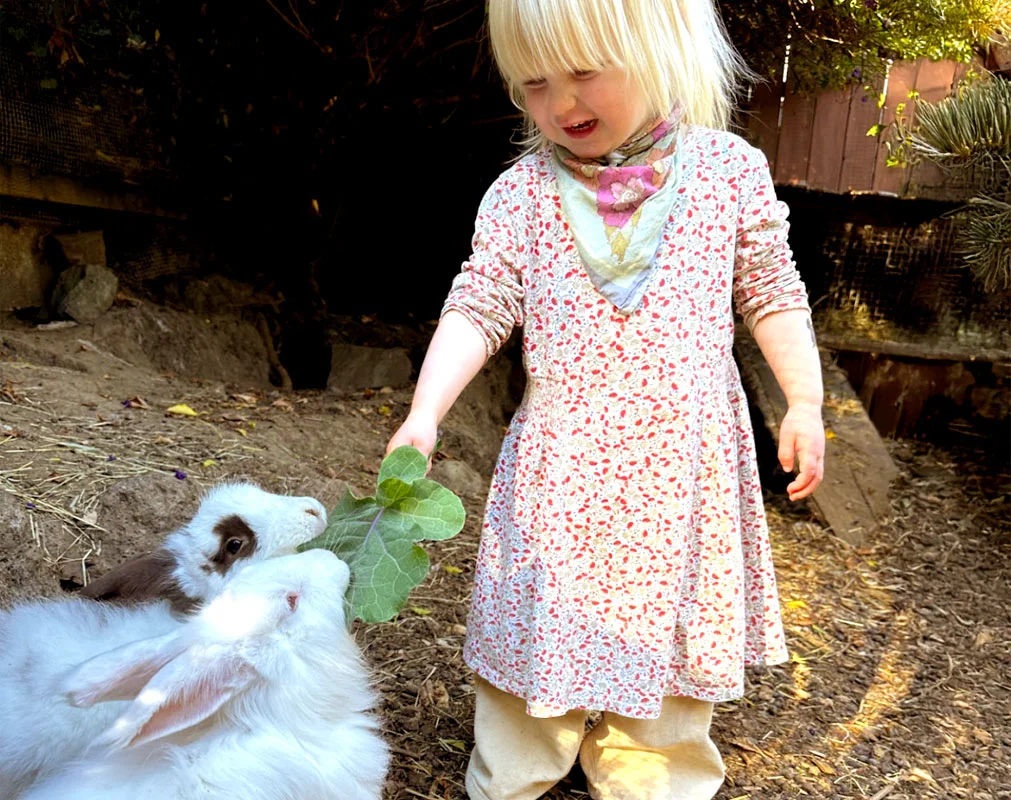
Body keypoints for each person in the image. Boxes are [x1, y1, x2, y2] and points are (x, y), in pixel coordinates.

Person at [386, 1, 825, 797]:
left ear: (660, 51)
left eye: (585, 72)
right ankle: (512, 773)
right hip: (565, 470)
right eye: (534, 83)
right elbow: (479, 301)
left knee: (669, 654)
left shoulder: (728, 172)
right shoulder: (520, 194)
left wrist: (803, 400)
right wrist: (424, 413)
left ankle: (650, 775)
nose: (561, 103)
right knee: (536, 631)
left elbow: (769, 289)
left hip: (680, 470)